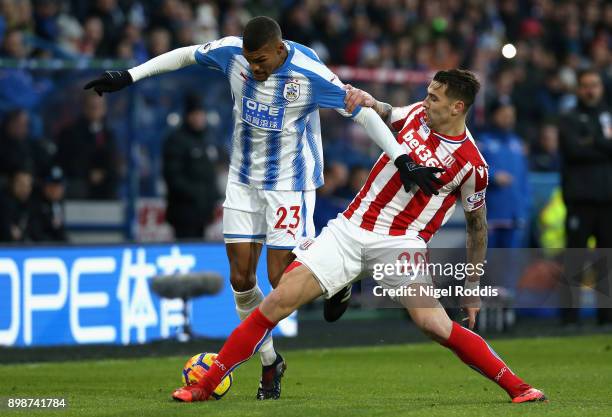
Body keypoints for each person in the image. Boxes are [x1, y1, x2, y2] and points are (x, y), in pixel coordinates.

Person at [84, 16, 441, 400]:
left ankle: (335, 282)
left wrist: (402, 158)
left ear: (279, 48)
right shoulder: (230, 53)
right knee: (241, 279)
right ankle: (270, 363)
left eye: (261, 60)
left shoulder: (308, 72)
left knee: (280, 279)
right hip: (242, 180)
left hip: (289, 184)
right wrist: (129, 75)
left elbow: (362, 111)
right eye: (249, 60)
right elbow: (186, 55)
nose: (254, 67)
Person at [170, 70, 546, 404]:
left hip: (402, 244)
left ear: (457, 107)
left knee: (434, 325)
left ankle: (518, 387)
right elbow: (386, 113)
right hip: (350, 230)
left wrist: (472, 285)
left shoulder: (473, 165)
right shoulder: (416, 114)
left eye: (435, 97)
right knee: (278, 302)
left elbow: (477, 226)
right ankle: (206, 385)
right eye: (428, 93)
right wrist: (368, 100)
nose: (427, 100)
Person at [558, 69, 612, 326]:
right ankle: (569, 318)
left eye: (594, 85)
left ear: (601, 88)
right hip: (579, 199)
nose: (590, 90)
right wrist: (603, 144)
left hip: (607, 200)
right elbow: (573, 150)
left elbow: (584, 148)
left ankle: (606, 317)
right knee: (575, 259)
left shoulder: (608, 115)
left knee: (606, 261)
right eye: (585, 85)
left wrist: (591, 141)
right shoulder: (568, 118)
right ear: (578, 89)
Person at [162, 95, 221, 239]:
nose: (199, 118)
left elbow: (210, 174)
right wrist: (199, 194)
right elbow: (173, 177)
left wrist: (212, 198)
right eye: (195, 114)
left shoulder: (207, 139)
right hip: (184, 214)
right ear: (188, 116)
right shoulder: (176, 140)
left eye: (201, 114)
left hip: (204, 215)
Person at [478, 100, 530, 248]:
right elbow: (471, 170)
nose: (508, 118)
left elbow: (524, 179)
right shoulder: (482, 143)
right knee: (488, 265)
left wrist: (525, 207)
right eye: (504, 114)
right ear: (494, 115)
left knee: (511, 265)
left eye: (511, 115)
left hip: (515, 216)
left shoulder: (518, 144)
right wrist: (493, 176)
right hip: (491, 215)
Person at [55, 93, 120, 199]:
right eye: (93, 107)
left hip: (105, 185)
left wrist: (104, 173)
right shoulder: (70, 133)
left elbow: (113, 161)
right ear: (84, 108)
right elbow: (67, 161)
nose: (96, 110)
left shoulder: (109, 134)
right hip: (80, 182)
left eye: (99, 107)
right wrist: (88, 173)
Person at [29, 166, 68, 243]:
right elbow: (36, 235)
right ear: (44, 186)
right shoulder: (35, 204)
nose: (55, 189)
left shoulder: (58, 204)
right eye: (51, 185)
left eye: (58, 185)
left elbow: (61, 232)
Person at [0, 169, 35, 243]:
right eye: (21, 184)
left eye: (27, 185)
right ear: (12, 184)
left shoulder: (33, 204)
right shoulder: (4, 204)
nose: (24, 189)